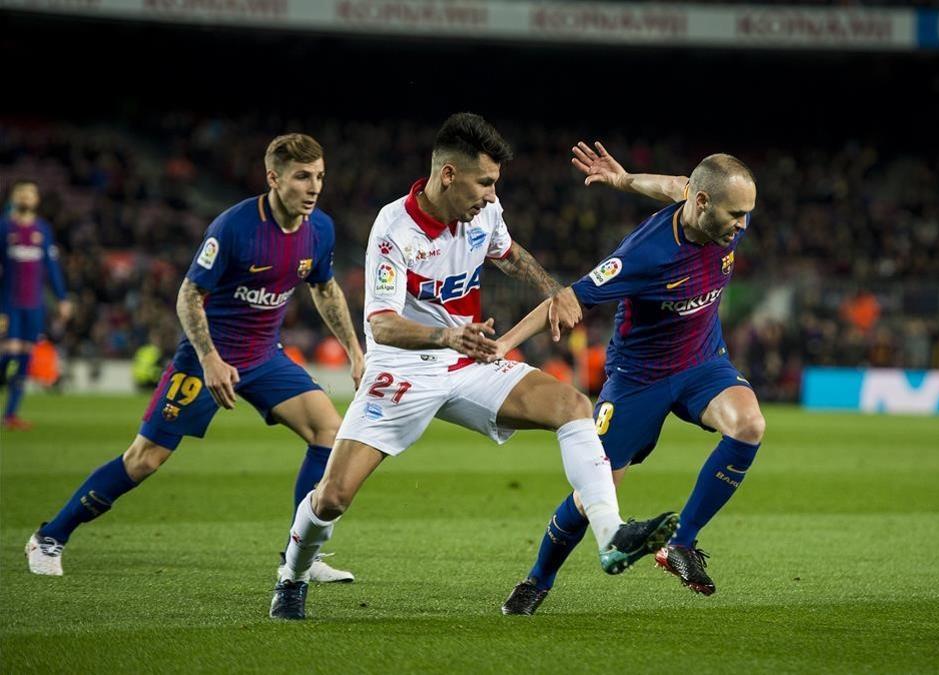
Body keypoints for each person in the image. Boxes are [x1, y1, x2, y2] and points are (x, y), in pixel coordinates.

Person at [271, 114, 677, 620]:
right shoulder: (393, 228)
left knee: (573, 405)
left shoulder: (485, 212)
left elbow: (508, 253)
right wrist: (446, 334)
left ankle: (611, 533)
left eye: (494, 185)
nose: (490, 195)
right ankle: (292, 575)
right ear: (448, 176)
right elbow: (383, 324)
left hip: (468, 360)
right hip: (403, 368)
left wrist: (553, 290)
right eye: (484, 182)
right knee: (332, 496)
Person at [26, 134, 365, 585]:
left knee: (329, 432)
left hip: (265, 357)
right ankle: (50, 536)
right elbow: (189, 295)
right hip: (206, 360)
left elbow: (324, 288)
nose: (314, 186)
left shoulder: (319, 228)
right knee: (144, 459)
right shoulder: (234, 227)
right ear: (273, 178)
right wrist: (209, 359)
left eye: (319, 176)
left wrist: (355, 352)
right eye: (303, 176)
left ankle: (299, 555)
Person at [498, 143, 765, 614]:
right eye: (736, 214)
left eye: (748, 214)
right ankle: (537, 580)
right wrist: (502, 346)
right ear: (702, 205)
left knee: (749, 425)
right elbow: (567, 299)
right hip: (639, 378)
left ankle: (680, 545)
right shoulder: (644, 255)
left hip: (703, 362)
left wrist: (623, 180)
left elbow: (672, 185)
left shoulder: (712, 214)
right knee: (594, 491)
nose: (743, 225)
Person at [0, 180, 72, 429]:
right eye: (22, 192)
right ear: (14, 197)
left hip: (34, 304)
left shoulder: (43, 229)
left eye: (30, 193)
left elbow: (51, 267)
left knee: (23, 358)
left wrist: (62, 298)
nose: (26, 197)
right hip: (8, 303)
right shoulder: (4, 228)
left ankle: (10, 415)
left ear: (36, 199)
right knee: (7, 353)